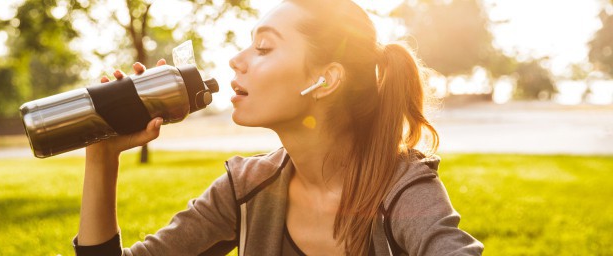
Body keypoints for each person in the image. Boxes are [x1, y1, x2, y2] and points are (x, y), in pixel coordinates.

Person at [74, 0, 484, 255]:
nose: (237, 59)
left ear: (326, 80)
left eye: (264, 47)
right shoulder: (246, 188)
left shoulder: (402, 191)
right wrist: (102, 153)